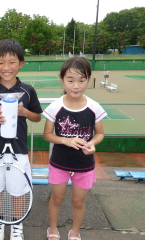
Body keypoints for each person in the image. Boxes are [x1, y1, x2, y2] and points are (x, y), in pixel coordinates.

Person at [0, 39, 43, 240]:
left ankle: (16, 224)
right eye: (1, 62)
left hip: (19, 149)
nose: (6, 67)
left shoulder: (28, 90)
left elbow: (37, 117)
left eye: (12, 62)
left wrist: (24, 112)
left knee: (18, 190)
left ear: (21, 63)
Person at [43, 56, 107, 240]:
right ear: (62, 80)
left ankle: (75, 232)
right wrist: (66, 140)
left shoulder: (94, 107)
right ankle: (53, 229)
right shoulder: (56, 106)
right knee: (57, 199)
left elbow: (100, 134)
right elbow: (47, 134)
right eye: (70, 80)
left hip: (84, 164)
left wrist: (92, 144)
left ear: (88, 79)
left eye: (82, 80)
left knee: (78, 201)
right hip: (59, 163)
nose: (76, 85)